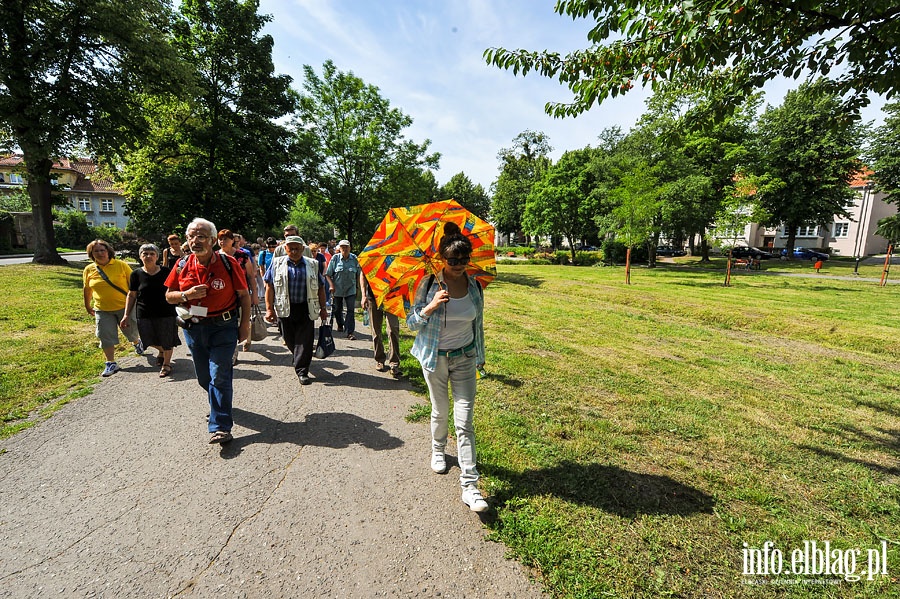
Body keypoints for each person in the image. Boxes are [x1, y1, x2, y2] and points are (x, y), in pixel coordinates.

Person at [406, 222, 488, 513]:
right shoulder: (428, 284)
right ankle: (438, 450)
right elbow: (411, 322)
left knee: (464, 421)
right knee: (440, 411)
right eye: (453, 260)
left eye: (464, 260)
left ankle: (470, 485)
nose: (458, 265)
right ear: (442, 259)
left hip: (465, 358)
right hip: (435, 358)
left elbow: (478, 323)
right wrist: (430, 307)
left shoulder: (475, 285)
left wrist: (480, 353)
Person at [164, 218, 251, 445]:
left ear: (213, 240)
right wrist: (186, 295)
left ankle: (220, 426)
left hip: (224, 326)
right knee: (205, 378)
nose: (195, 241)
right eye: (191, 236)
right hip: (194, 329)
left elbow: (244, 295)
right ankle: (219, 404)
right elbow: (168, 295)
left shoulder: (229, 263)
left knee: (220, 375)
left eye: (201, 236)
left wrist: (245, 326)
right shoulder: (182, 264)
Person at [263, 236, 328, 385]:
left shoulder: (312, 264)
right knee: (289, 339)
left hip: (306, 307)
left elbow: (320, 287)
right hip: (285, 307)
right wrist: (269, 309)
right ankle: (299, 357)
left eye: (297, 248)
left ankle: (302, 371)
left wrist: (323, 308)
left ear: (302, 249)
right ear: (285, 249)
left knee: (305, 340)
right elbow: (269, 287)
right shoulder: (277, 263)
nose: (294, 251)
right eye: (290, 248)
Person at [83, 239, 145, 377]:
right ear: (91, 254)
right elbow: (87, 289)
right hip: (102, 308)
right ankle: (110, 363)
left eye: (102, 250)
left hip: (124, 307)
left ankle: (136, 342)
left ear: (108, 251)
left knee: (131, 331)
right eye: (96, 251)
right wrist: (87, 305)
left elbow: (133, 285)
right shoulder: (89, 269)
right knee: (105, 335)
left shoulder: (121, 265)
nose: (100, 253)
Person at [121, 244, 180, 377]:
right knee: (147, 339)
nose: (148, 256)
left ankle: (166, 364)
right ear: (140, 256)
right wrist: (126, 315)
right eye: (145, 253)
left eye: (152, 254)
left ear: (157, 256)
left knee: (167, 338)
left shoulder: (166, 272)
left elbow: (175, 289)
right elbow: (132, 294)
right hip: (144, 311)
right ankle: (162, 351)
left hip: (166, 311)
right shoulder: (136, 274)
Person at [360, 272, 401, 377]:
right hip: (373, 297)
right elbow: (363, 275)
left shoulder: (395, 255)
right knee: (376, 330)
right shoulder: (371, 256)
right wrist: (363, 295)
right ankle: (380, 359)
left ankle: (394, 363)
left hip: (392, 297)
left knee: (393, 329)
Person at [325, 239, 360, 340]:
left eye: (346, 247)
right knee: (337, 309)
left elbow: (358, 274)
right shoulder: (335, 258)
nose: (344, 249)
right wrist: (331, 285)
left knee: (350, 310)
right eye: (342, 247)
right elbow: (328, 274)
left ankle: (350, 332)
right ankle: (340, 324)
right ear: (339, 248)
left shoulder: (354, 258)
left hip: (351, 289)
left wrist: (357, 288)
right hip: (338, 289)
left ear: (350, 248)